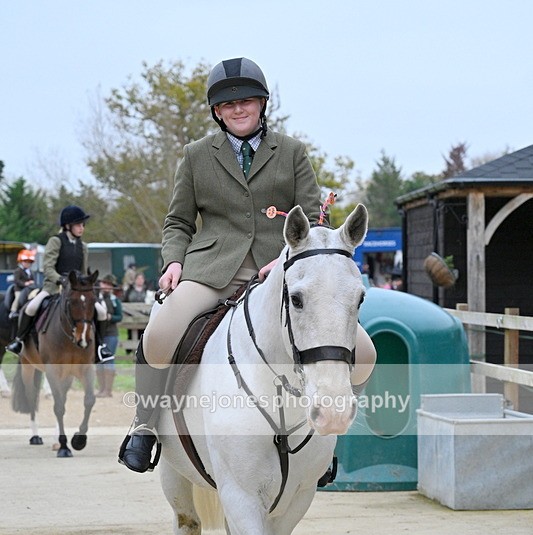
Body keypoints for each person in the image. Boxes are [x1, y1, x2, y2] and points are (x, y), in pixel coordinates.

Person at [119, 56, 377, 473]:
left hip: (280, 271)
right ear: (217, 112)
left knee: (364, 353)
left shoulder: (291, 152)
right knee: (160, 332)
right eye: (228, 105)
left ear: (262, 105)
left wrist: (282, 258)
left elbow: (313, 218)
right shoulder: (196, 155)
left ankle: (328, 438)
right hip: (213, 269)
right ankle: (144, 424)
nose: (239, 110)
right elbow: (178, 221)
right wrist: (172, 261)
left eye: (248, 102)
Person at [6, 206, 113, 362]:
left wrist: (85, 283)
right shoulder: (56, 241)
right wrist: (61, 279)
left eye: (83, 225)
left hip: (76, 289)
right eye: (78, 225)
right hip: (54, 287)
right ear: (68, 225)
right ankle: (19, 341)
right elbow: (47, 267)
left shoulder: (82, 246)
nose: (81, 228)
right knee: (31, 307)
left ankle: (100, 347)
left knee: (101, 312)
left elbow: (82, 270)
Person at [95, 274, 123, 398]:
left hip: (111, 334)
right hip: (98, 335)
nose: (105, 286)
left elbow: (120, 316)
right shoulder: (95, 298)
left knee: (108, 359)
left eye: (109, 284)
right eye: (104, 283)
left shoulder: (114, 300)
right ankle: (101, 389)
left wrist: (110, 317)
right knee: (99, 361)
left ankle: (108, 390)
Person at [9, 249, 37, 316]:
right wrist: (25, 283)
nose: (27, 263)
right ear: (21, 262)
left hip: (28, 289)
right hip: (19, 289)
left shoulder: (30, 272)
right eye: (25, 261)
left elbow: (33, 279)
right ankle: (13, 311)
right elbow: (16, 280)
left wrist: (32, 282)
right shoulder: (18, 270)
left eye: (29, 262)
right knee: (18, 298)